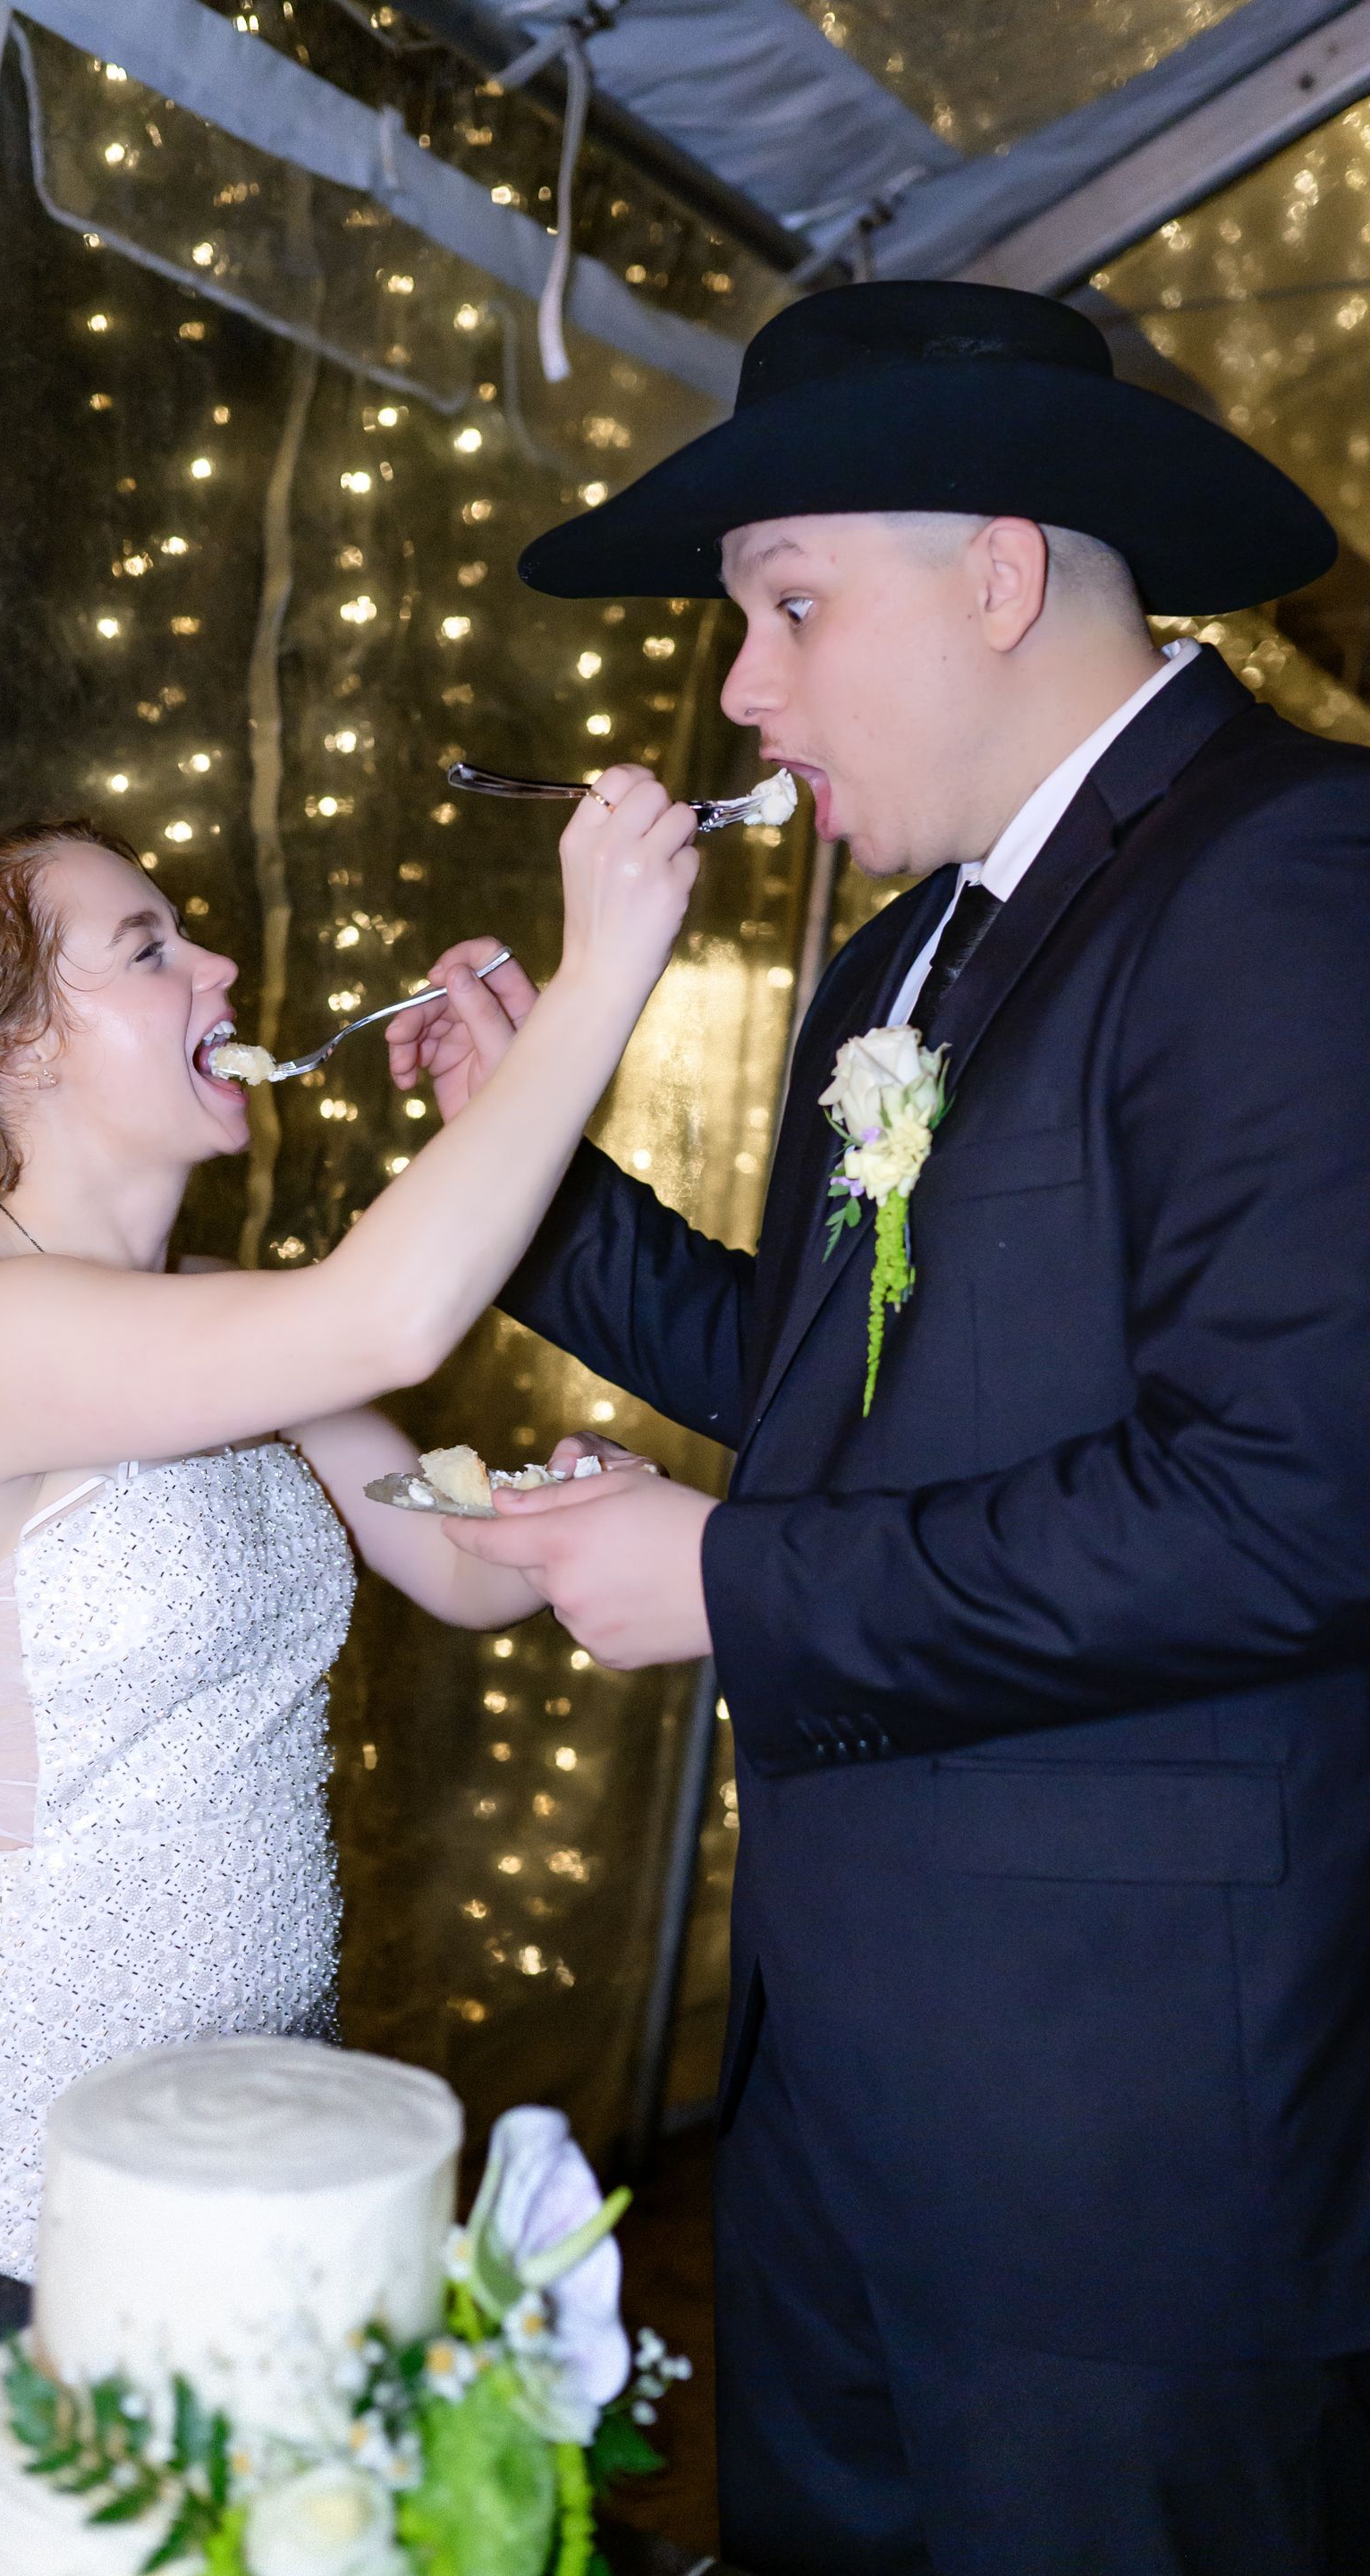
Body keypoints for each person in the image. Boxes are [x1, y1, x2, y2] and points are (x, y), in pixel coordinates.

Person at [388, 281, 1370, 2574]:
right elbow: (841, 1387)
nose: (742, 687)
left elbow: (1297, 1500)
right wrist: (530, 1177)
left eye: (791, 606)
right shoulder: (897, 961)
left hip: (1129, 2151)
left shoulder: (1293, 876)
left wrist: (727, 1578)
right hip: (839, 2096)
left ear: (1001, 575)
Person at [0, 802, 696, 2278]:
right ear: (15, 1044)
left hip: (256, 2076)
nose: (218, 967)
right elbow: (388, 1319)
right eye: (148, 949)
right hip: (29, 2103)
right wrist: (597, 981)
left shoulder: (215, 1304)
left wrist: (557, 1505)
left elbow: (455, 1567)